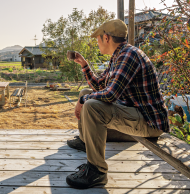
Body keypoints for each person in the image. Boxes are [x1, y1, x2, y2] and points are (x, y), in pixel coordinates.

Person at [65, 19, 169, 189]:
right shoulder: (118, 56)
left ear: (106, 38)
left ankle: (96, 171)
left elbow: (110, 95)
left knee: (90, 104)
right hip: (133, 114)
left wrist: (82, 101)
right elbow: (100, 85)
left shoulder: (129, 56)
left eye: (98, 38)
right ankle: (86, 142)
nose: (97, 42)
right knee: (85, 93)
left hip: (149, 122)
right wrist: (84, 65)